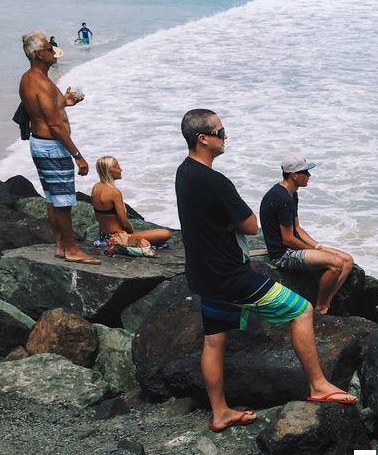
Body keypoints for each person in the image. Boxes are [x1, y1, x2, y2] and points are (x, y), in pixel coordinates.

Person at [175, 109, 355, 432]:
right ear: (203, 139)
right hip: (232, 276)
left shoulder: (183, 173)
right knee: (301, 310)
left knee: (214, 341)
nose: (224, 136)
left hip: (203, 275)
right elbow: (250, 224)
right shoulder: (215, 182)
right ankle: (318, 385)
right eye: (220, 131)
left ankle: (220, 413)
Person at [18, 31, 98, 264]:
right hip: (52, 147)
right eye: (48, 48)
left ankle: (62, 245)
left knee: (53, 198)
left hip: (41, 145)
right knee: (63, 202)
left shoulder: (29, 78)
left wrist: (65, 101)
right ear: (38, 55)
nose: (54, 50)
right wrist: (77, 155)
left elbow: (44, 110)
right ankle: (72, 249)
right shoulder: (40, 82)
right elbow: (53, 123)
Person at [259, 155, 355, 315]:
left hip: (291, 247)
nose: (309, 176)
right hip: (282, 254)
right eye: (305, 172)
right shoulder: (282, 199)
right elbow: (288, 239)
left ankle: (327, 303)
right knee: (336, 264)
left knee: (347, 260)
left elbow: (298, 228)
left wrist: (318, 246)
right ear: (294, 175)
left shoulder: (291, 193)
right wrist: (319, 253)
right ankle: (320, 306)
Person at [90, 156, 172, 251]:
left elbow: (98, 217)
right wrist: (133, 235)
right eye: (117, 167)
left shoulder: (95, 187)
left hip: (103, 236)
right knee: (165, 233)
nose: (121, 169)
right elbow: (125, 224)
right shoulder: (114, 192)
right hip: (118, 237)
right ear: (110, 172)